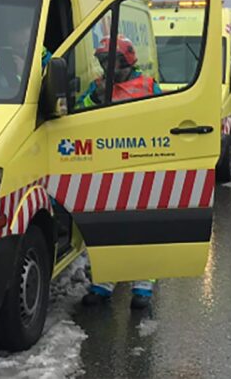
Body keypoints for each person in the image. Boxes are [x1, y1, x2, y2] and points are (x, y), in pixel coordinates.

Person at [80, 36, 159, 310]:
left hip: (141, 162)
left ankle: (143, 286)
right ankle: (104, 282)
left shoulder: (148, 85)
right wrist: (94, 97)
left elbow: (164, 118)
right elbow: (78, 114)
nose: (106, 67)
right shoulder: (99, 87)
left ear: (126, 60)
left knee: (142, 227)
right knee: (108, 228)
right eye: (103, 62)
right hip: (106, 163)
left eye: (110, 61)